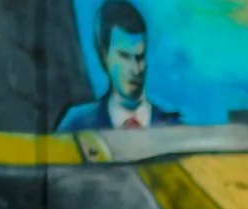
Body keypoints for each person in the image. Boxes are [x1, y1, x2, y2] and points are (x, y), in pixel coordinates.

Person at [57, 0, 182, 133]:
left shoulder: (174, 128)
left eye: (139, 57)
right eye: (125, 57)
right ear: (104, 56)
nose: (135, 69)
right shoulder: (77, 126)